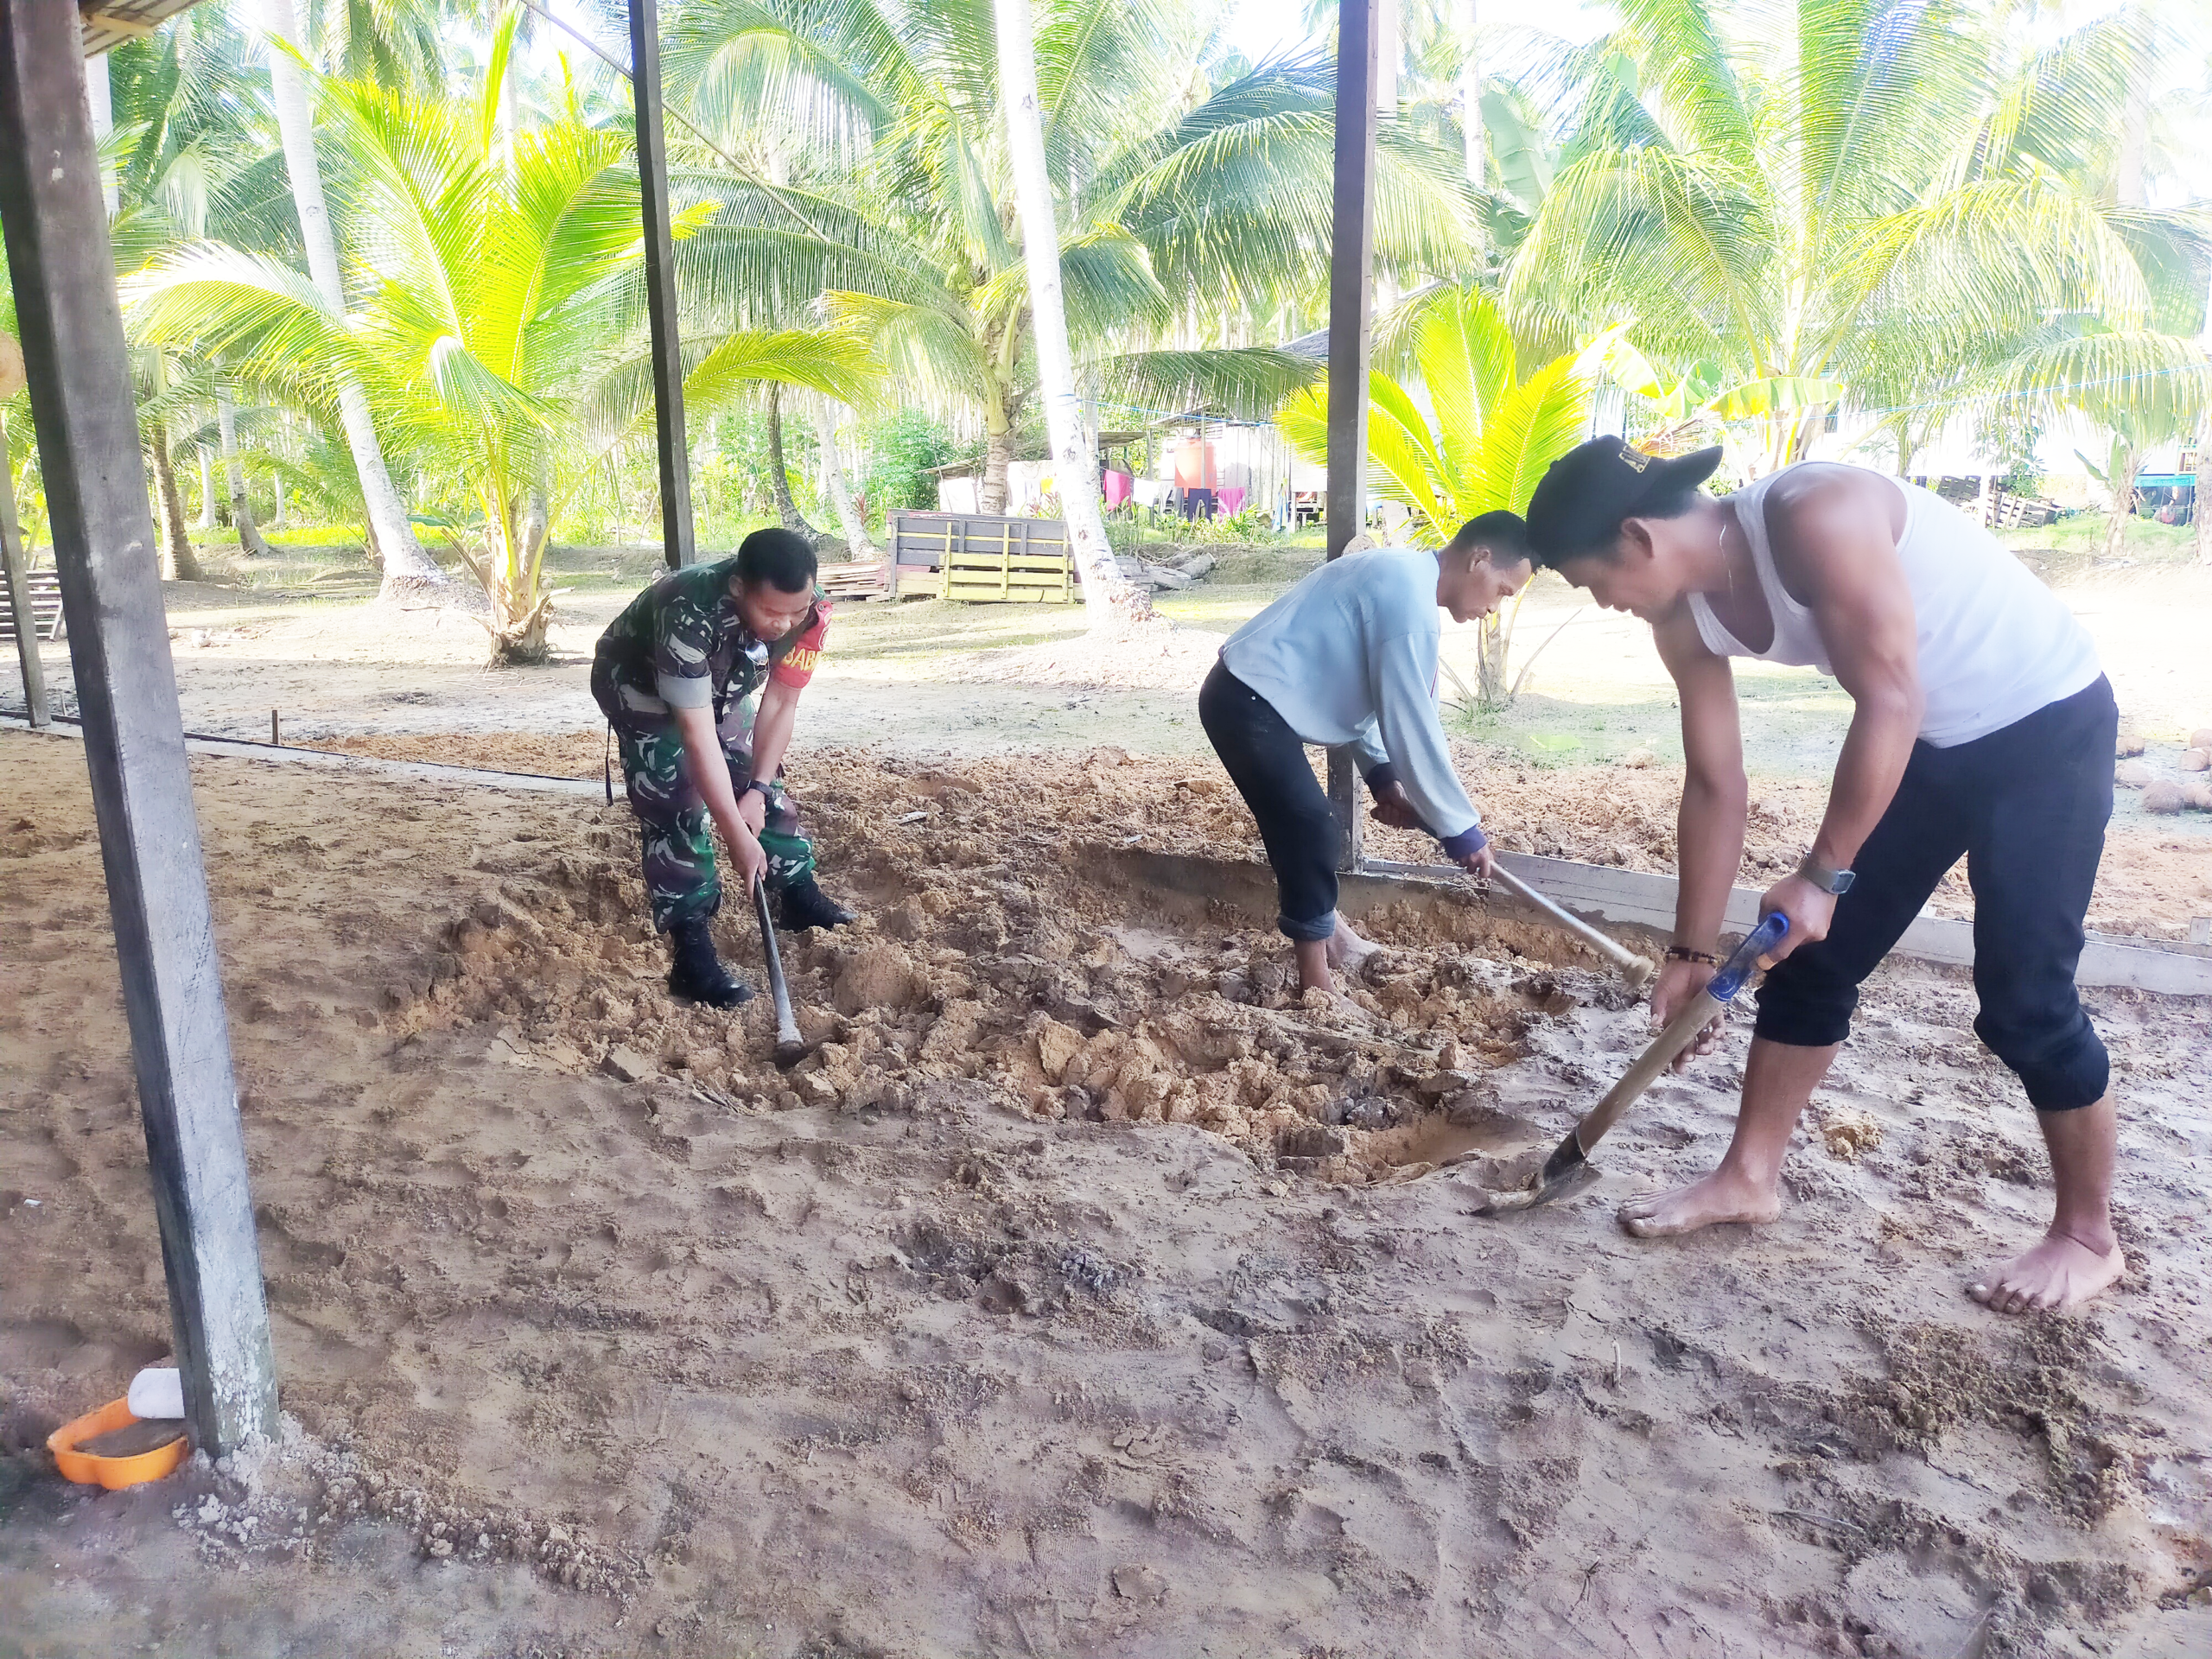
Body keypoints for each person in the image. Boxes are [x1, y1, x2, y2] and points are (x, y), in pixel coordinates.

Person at [1523, 438, 2120, 1312]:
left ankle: (2085, 1236)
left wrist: (1821, 873)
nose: (1601, 603)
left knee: (2025, 999)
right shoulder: (1679, 617)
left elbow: (1890, 696)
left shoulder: (1817, 512)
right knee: (1803, 959)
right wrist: (1688, 953)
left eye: (1589, 583)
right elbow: (1715, 783)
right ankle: (1748, 1177)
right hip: (1928, 742)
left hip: (2044, 730)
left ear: (1637, 539)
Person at [1199, 513, 1534, 996]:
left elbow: (1368, 696)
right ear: (1479, 558)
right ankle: (1317, 983)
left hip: (1249, 697)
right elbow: (1412, 724)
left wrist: (1382, 777)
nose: (1495, 608)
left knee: (1296, 825)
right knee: (1309, 826)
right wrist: (1460, 829)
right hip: (1246, 701)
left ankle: (1332, 935)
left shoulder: (1404, 579)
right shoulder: (1409, 605)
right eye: (1503, 590)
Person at [591, 527, 855, 1009]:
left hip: (720, 683)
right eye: (772, 612)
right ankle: (690, 951)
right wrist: (734, 832)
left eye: (795, 610)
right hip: (640, 684)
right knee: (678, 801)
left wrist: (755, 789)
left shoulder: (812, 612)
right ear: (738, 587)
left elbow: (781, 703)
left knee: (766, 786)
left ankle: (797, 893)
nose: (785, 624)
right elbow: (695, 735)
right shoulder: (688, 609)